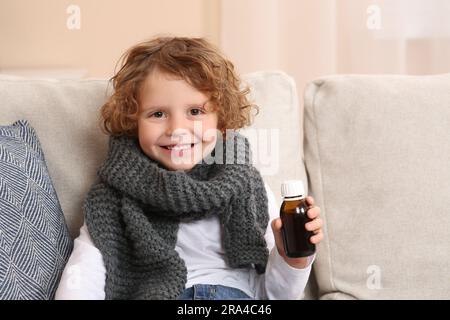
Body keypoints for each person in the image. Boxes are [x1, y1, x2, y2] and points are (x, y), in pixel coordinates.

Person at [55, 37, 324, 300]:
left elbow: (276, 294)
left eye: (195, 112)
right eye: (157, 114)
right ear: (133, 122)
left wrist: (292, 256)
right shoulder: (113, 195)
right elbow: (84, 274)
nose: (177, 130)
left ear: (221, 120)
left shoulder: (248, 186)